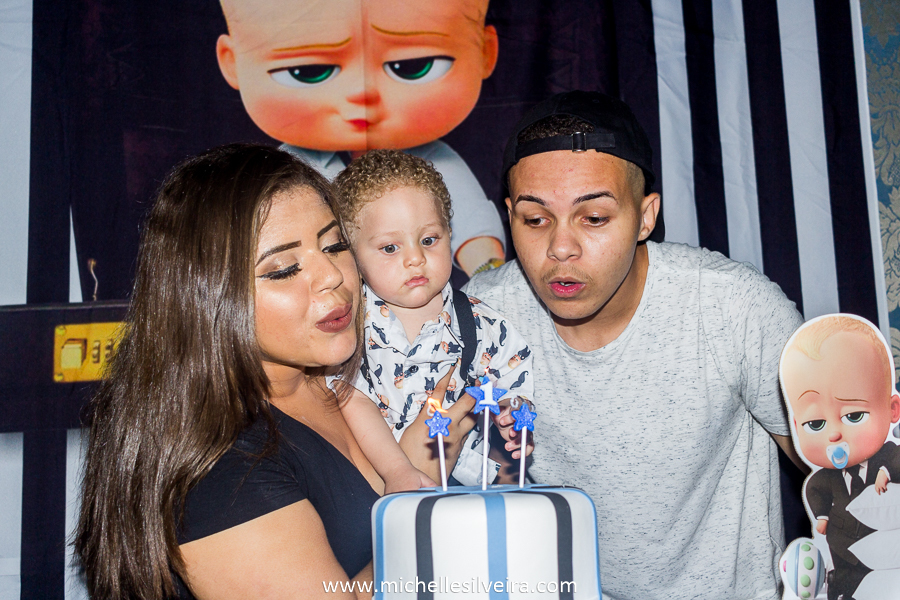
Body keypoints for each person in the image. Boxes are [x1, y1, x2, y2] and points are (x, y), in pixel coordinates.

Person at [463, 90, 806, 600]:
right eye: (535, 220)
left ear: (646, 217)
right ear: (509, 216)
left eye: (594, 218)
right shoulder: (481, 318)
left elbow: (848, 473)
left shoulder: (734, 309)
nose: (560, 247)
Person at [75, 144, 397, 599]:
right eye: (284, 269)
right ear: (206, 295)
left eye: (335, 244)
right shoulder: (219, 468)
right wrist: (419, 517)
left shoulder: (334, 385)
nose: (332, 275)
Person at [214, 0, 506, 277]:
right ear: (233, 62)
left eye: (413, 65)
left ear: (484, 52)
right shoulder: (290, 168)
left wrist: (486, 272)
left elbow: (471, 224)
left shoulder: (434, 160)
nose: (362, 94)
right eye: (309, 71)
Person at [330, 149, 533, 491]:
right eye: (390, 248)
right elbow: (350, 397)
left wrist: (513, 415)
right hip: (373, 484)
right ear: (352, 255)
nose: (415, 258)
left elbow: (514, 378)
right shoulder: (347, 326)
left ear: (449, 235)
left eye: (428, 240)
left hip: (468, 484)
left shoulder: (484, 325)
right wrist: (398, 471)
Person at [781, 315, 900, 600]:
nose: (834, 434)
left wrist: (887, 471)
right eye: (816, 424)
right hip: (843, 564)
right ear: (796, 427)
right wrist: (821, 516)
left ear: (893, 409)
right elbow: (814, 489)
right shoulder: (823, 479)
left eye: (854, 416)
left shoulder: (889, 456)